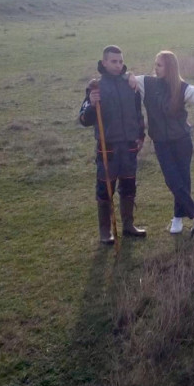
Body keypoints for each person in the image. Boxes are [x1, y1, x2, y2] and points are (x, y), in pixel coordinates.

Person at [128, 50, 194, 234]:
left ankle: (177, 218)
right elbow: (127, 79)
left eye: (159, 65)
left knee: (183, 180)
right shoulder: (146, 83)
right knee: (172, 180)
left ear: (170, 67)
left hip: (182, 141)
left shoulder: (182, 88)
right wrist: (128, 76)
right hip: (160, 142)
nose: (155, 68)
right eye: (155, 64)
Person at [78, 45, 147, 244]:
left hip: (129, 145)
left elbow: (138, 113)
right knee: (105, 189)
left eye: (120, 61)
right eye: (113, 61)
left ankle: (128, 225)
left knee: (129, 186)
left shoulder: (130, 84)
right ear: (104, 62)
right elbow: (84, 119)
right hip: (108, 147)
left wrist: (140, 135)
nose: (118, 65)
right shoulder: (96, 87)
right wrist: (92, 104)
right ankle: (105, 231)